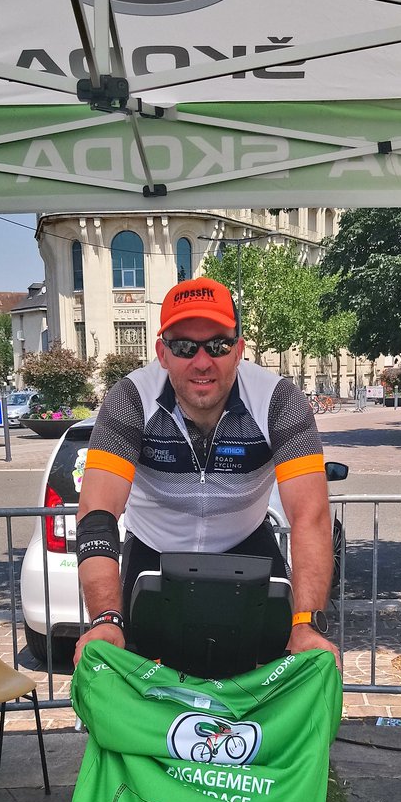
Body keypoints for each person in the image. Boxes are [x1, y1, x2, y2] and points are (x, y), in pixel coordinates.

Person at [73, 277, 338, 668]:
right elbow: (96, 514)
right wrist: (106, 619)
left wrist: (306, 622)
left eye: (217, 345)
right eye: (184, 346)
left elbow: (311, 515)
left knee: (265, 676)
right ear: (162, 353)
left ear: (239, 351)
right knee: (150, 690)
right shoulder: (130, 398)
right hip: (153, 553)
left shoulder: (279, 400)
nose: (201, 362)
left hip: (246, 545)